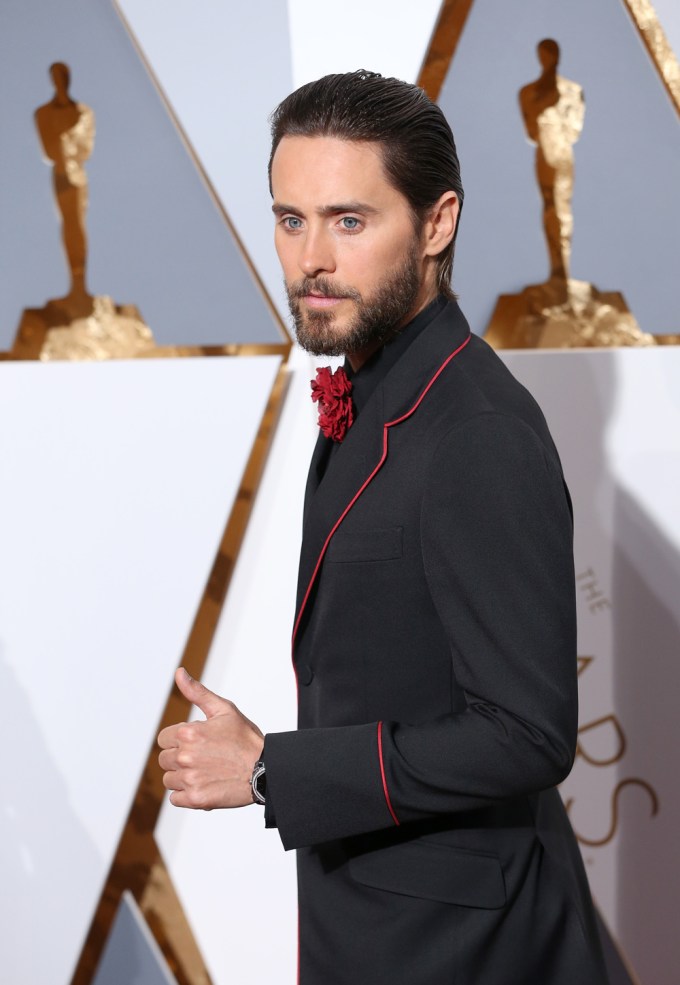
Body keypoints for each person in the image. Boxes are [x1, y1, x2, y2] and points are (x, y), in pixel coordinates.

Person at [158, 71, 608, 984]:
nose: (311, 258)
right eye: (291, 219)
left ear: (436, 224)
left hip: (465, 951)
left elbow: (527, 733)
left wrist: (271, 769)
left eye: (349, 220)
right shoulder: (372, 393)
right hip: (377, 923)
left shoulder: (475, 431)